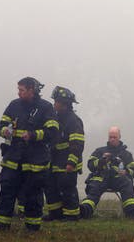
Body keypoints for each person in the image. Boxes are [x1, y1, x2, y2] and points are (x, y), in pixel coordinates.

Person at [0, 77, 59, 232]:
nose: (19, 93)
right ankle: (0, 226)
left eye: (22, 90)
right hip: (13, 159)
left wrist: (33, 135)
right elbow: (2, 124)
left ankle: (33, 227)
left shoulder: (46, 108)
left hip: (35, 160)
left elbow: (52, 132)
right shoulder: (14, 105)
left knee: (33, 195)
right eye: (19, 89)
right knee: (7, 191)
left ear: (31, 90)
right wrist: (5, 131)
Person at [43, 86, 85, 221]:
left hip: (67, 162)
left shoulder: (73, 121)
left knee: (67, 188)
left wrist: (71, 162)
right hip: (54, 161)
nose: (54, 104)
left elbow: (77, 145)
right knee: (51, 188)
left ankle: (71, 215)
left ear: (64, 104)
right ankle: (55, 214)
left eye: (56, 101)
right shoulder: (55, 118)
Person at [79, 126, 134, 219]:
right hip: (101, 179)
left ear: (119, 137)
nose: (112, 139)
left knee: (127, 184)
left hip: (118, 180)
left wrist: (126, 172)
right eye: (111, 137)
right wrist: (101, 160)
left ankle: (131, 212)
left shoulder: (126, 154)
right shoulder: (99, 151)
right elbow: (90, 165)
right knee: (94, 188)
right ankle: (85, 210)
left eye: (115, 137)